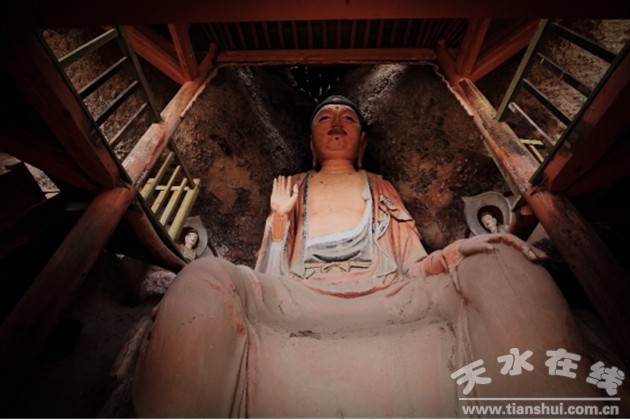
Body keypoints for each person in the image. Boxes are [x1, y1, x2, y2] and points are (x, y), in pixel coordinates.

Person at [132, 95, 605, 417]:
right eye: (324, 119)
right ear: (310, 142)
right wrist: (278, 219)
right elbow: (267, 272)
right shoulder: (293, 186)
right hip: (297, 296)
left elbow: (412, 261)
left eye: (348, 119)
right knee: (204, 277)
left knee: (502, 262)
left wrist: (455, 254)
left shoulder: (379, 186)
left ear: (362, 143)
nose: (337, 123)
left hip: (390, 293)